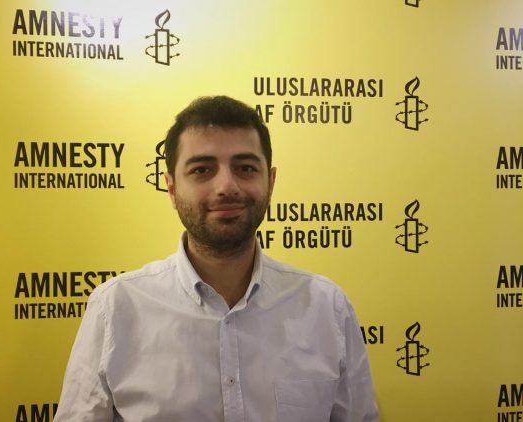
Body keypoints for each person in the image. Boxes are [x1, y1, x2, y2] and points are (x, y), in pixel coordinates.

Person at [54, 96, 379, 422]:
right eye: (202, 170)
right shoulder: (115, 309)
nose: (226, 186)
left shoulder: (327, 308)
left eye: (245, 168)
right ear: (171, 188)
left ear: (271, 182)